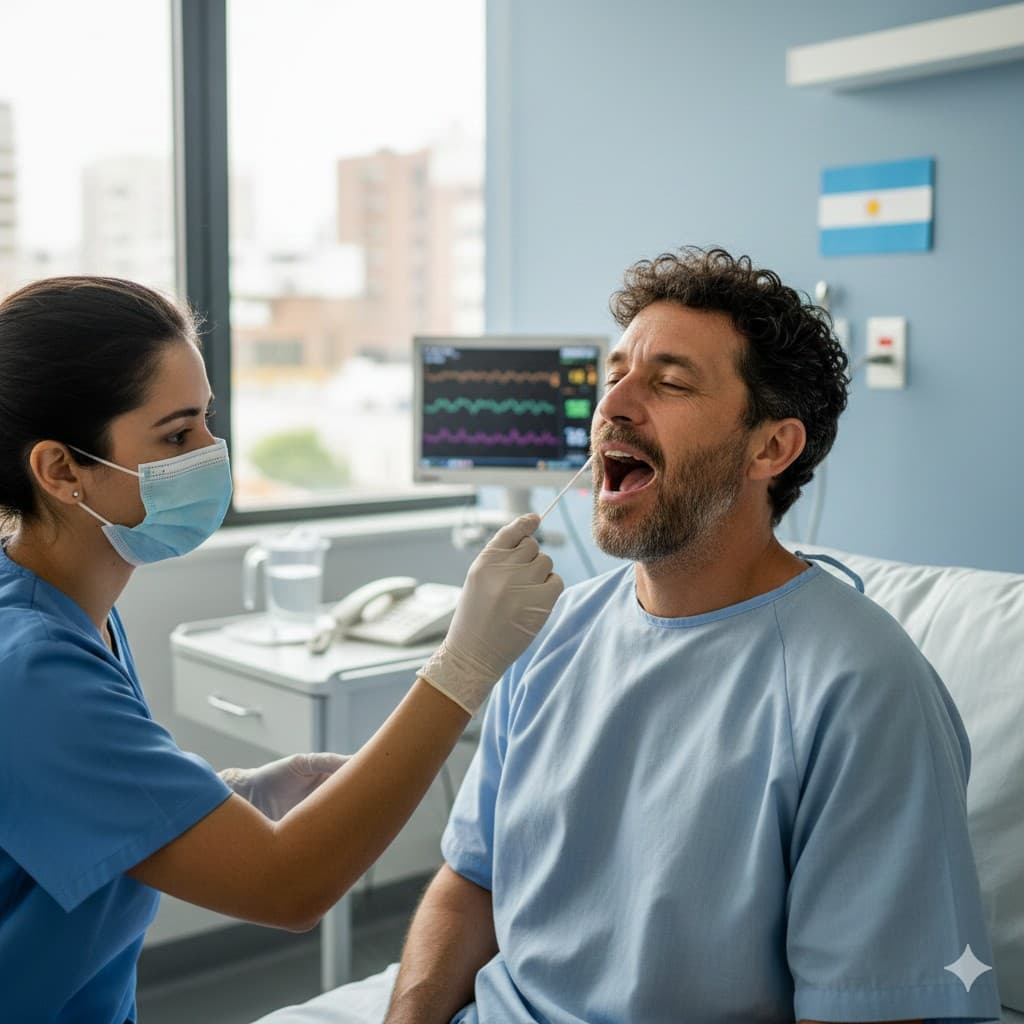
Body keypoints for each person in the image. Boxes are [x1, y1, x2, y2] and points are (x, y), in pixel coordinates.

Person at [265, 247, 1001, 1024]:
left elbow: (869, 1008)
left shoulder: (859, 688)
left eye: (670, 382)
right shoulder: (551, 635)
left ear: (770, 448)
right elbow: (473, 880)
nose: (614, 403)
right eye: (615, 373)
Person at [0, 276, 563, 1024]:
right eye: (175, 436)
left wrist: (240, 792)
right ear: (62, 470)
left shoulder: (74, 610)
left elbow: (74, 807)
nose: (212, 454)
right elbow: (288, 887)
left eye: (207, 421)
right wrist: (464, 665)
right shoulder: (31, 666)